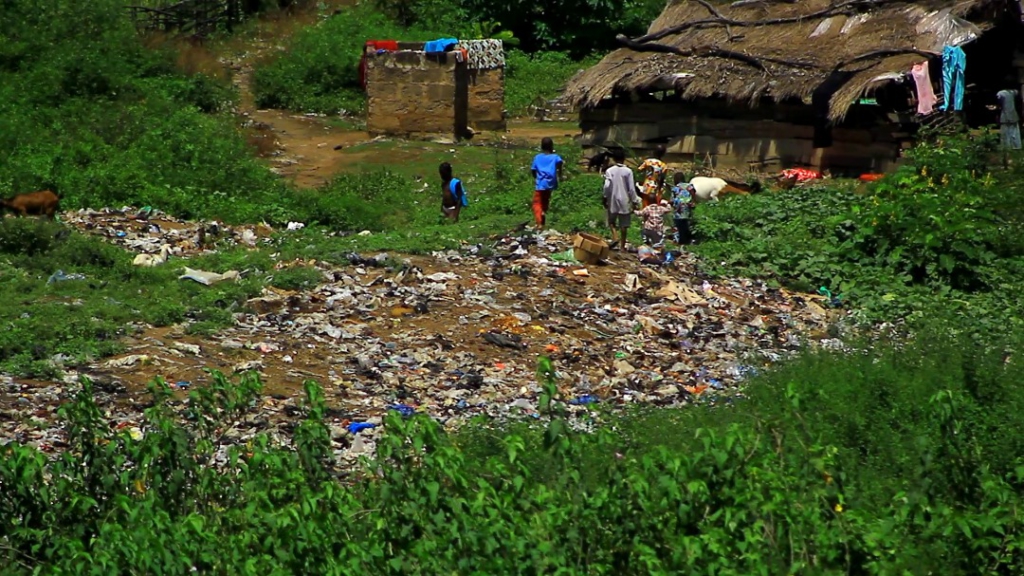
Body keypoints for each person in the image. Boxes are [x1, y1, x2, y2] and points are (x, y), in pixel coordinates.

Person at [603, 149, 638, 251]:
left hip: (612, 198)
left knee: (611, 221)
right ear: (624, 159)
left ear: (613, 159)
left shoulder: (610, 171)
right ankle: (622, 246)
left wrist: (605, 197)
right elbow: (631, 188)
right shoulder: (628, 171)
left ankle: (615, 236)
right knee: (624, 224)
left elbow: (607, 185)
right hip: (625, 199)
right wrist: (634, 201)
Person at [530, 137, 564, 228]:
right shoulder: (555, 157)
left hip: (541, 183)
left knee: (536, 203)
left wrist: (536, 177)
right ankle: (543, 217)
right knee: (545, 201)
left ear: (541, 146)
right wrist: (560, 174)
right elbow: (560, 163)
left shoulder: (537, 157)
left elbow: (533, 170)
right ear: (551, 146)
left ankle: (539, 223)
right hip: (550, 183)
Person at [670, 172, 696, 245]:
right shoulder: (690, 186)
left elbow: (672, 200)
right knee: (687, 223)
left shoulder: (675, 188)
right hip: (688, 206)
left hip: (678, 208)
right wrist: (692, 202)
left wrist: (671, 203)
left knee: (677, 224)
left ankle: (678, 240)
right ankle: (689, 239)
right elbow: (693, 194)